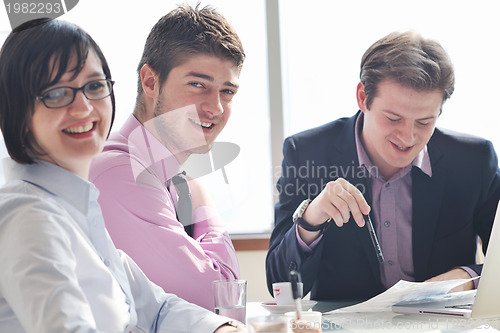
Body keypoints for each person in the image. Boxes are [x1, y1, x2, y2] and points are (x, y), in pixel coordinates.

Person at [0, 18, 244, 332]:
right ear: (15, 108)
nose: (85, 108)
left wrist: (220, 329)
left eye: (94, 86)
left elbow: (156, 307)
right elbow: (213, 296)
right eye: (57, 93)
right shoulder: (29, 217)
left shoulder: (77, 210)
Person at [266, 31, 500, 301]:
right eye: (393, 118)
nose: (407, 137)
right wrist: (312, 219)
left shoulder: (473, 160)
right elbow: (280, 288)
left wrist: (467, 277)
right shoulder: (307, 154)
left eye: (424, 122)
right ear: (363, 97)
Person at [89, 4, 244, 311]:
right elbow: (218, 299)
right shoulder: (120, 173)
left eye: (227, 91)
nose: (215, 108)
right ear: (150, 81)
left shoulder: (167, 176)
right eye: (197, 84)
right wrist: (204, 202)